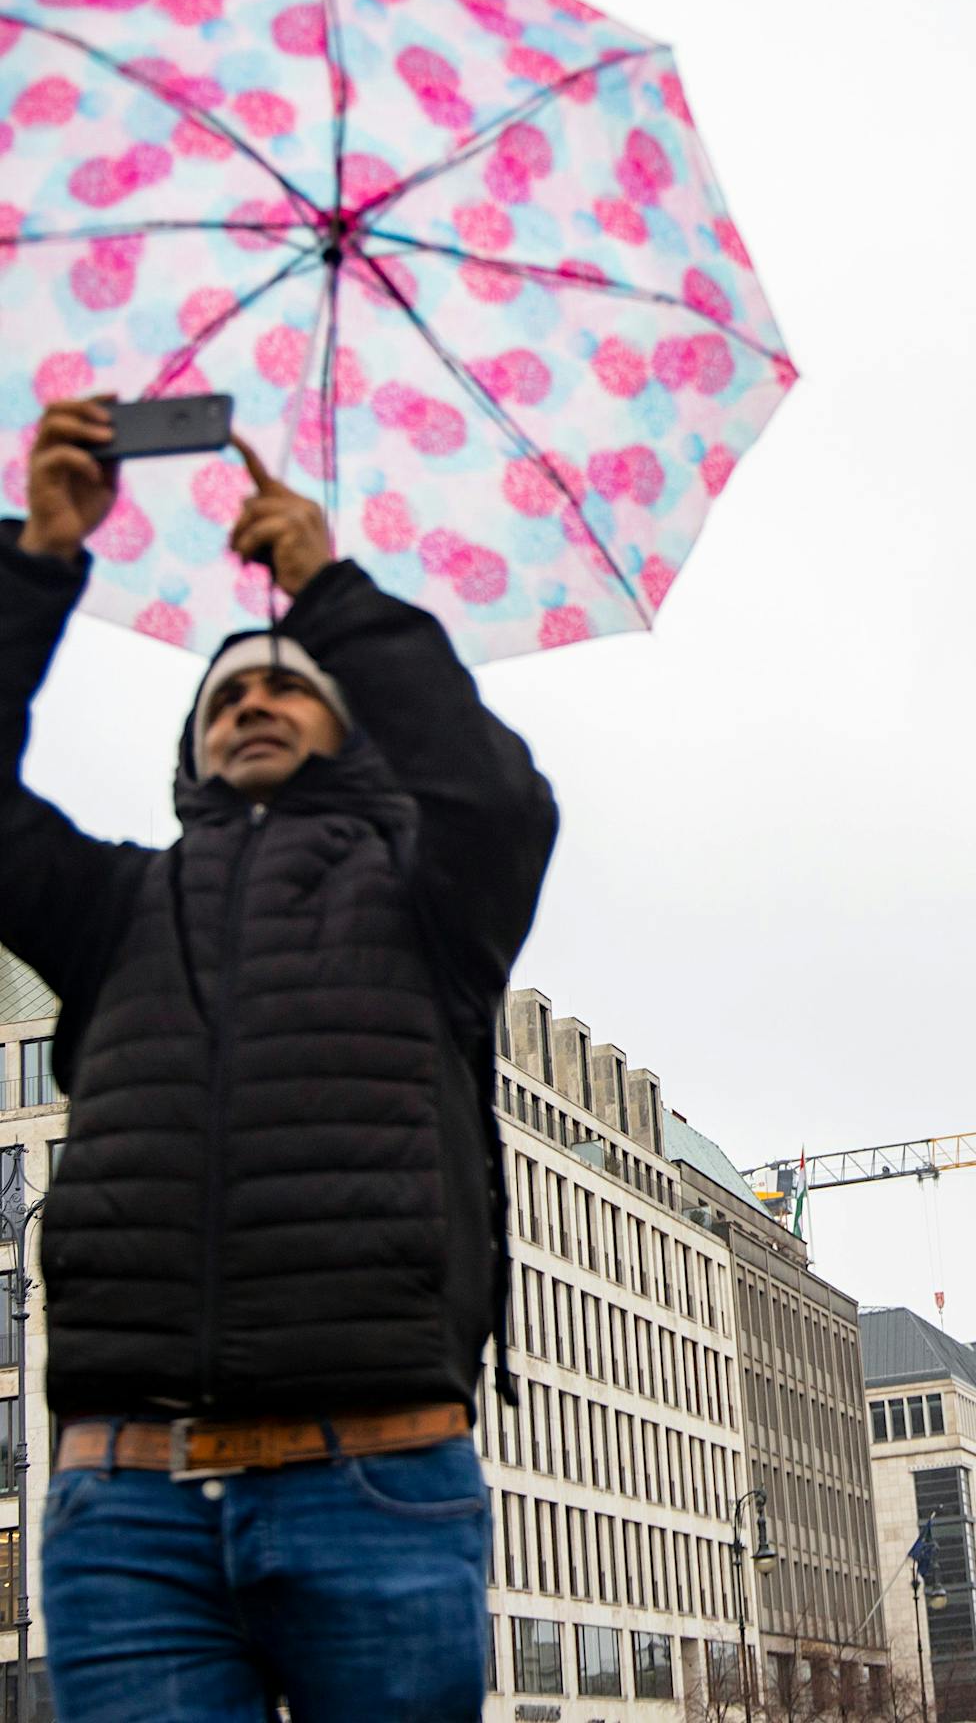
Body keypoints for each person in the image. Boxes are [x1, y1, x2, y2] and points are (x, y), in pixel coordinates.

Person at [0, 397, 558, 1721]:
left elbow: (497, 796)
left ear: (347, 729)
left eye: (288, 689)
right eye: (226, 694)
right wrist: (39, 558)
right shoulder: (115, 906)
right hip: (126, 1508)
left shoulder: (433, 903)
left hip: (373, 1479)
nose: (253, 697)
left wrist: (324, 587)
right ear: (192, 749)